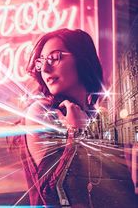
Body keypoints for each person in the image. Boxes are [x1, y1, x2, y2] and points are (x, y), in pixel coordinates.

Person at [10, 28, 103, 206]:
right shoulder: (43, 112)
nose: (44, 68)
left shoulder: (91, 113)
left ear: (81, 58)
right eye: (41, 62)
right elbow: (53, 193)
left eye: (54, 58)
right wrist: (75, 132)